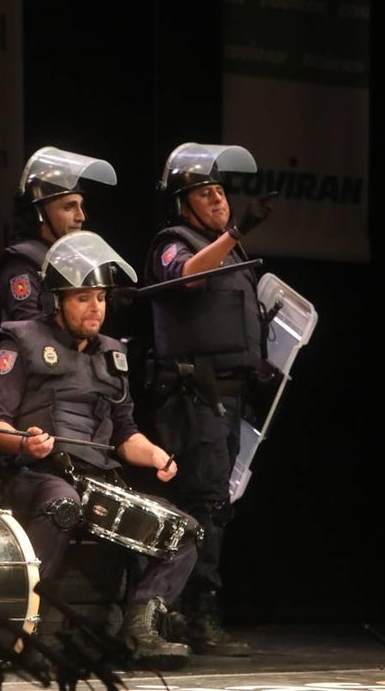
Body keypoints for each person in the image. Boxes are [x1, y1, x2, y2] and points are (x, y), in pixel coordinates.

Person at [0, 230, 199, 670]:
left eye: (100, 297)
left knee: (185, 530)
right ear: (55, 301)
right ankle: (17, 631)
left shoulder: (113, 356)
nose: (95, 307)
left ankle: (140, 626)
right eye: (83, 297)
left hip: (97, 483)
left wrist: (155, 454)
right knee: (63, 503)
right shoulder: (19, 341)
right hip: (36, 478)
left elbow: (125, 435)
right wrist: (27, 440)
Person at [141, 142, 277, 657]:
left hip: (230, 396)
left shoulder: (230, 249)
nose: (219, 200)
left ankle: (191, 613)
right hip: (195, 396)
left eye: (222, 192)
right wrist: (235, 232)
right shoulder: (171, 243)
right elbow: (188, 276)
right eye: (206, 192)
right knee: (204, 504)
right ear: (184, 202)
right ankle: (190, 617)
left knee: (219, 505)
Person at [0, 147, 118, 373]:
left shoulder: (75, 260)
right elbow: (35, 331)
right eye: (69, 207)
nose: (81, 216)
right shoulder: (21, 263)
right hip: (31, 379)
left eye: (81, 206)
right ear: (39, 213)